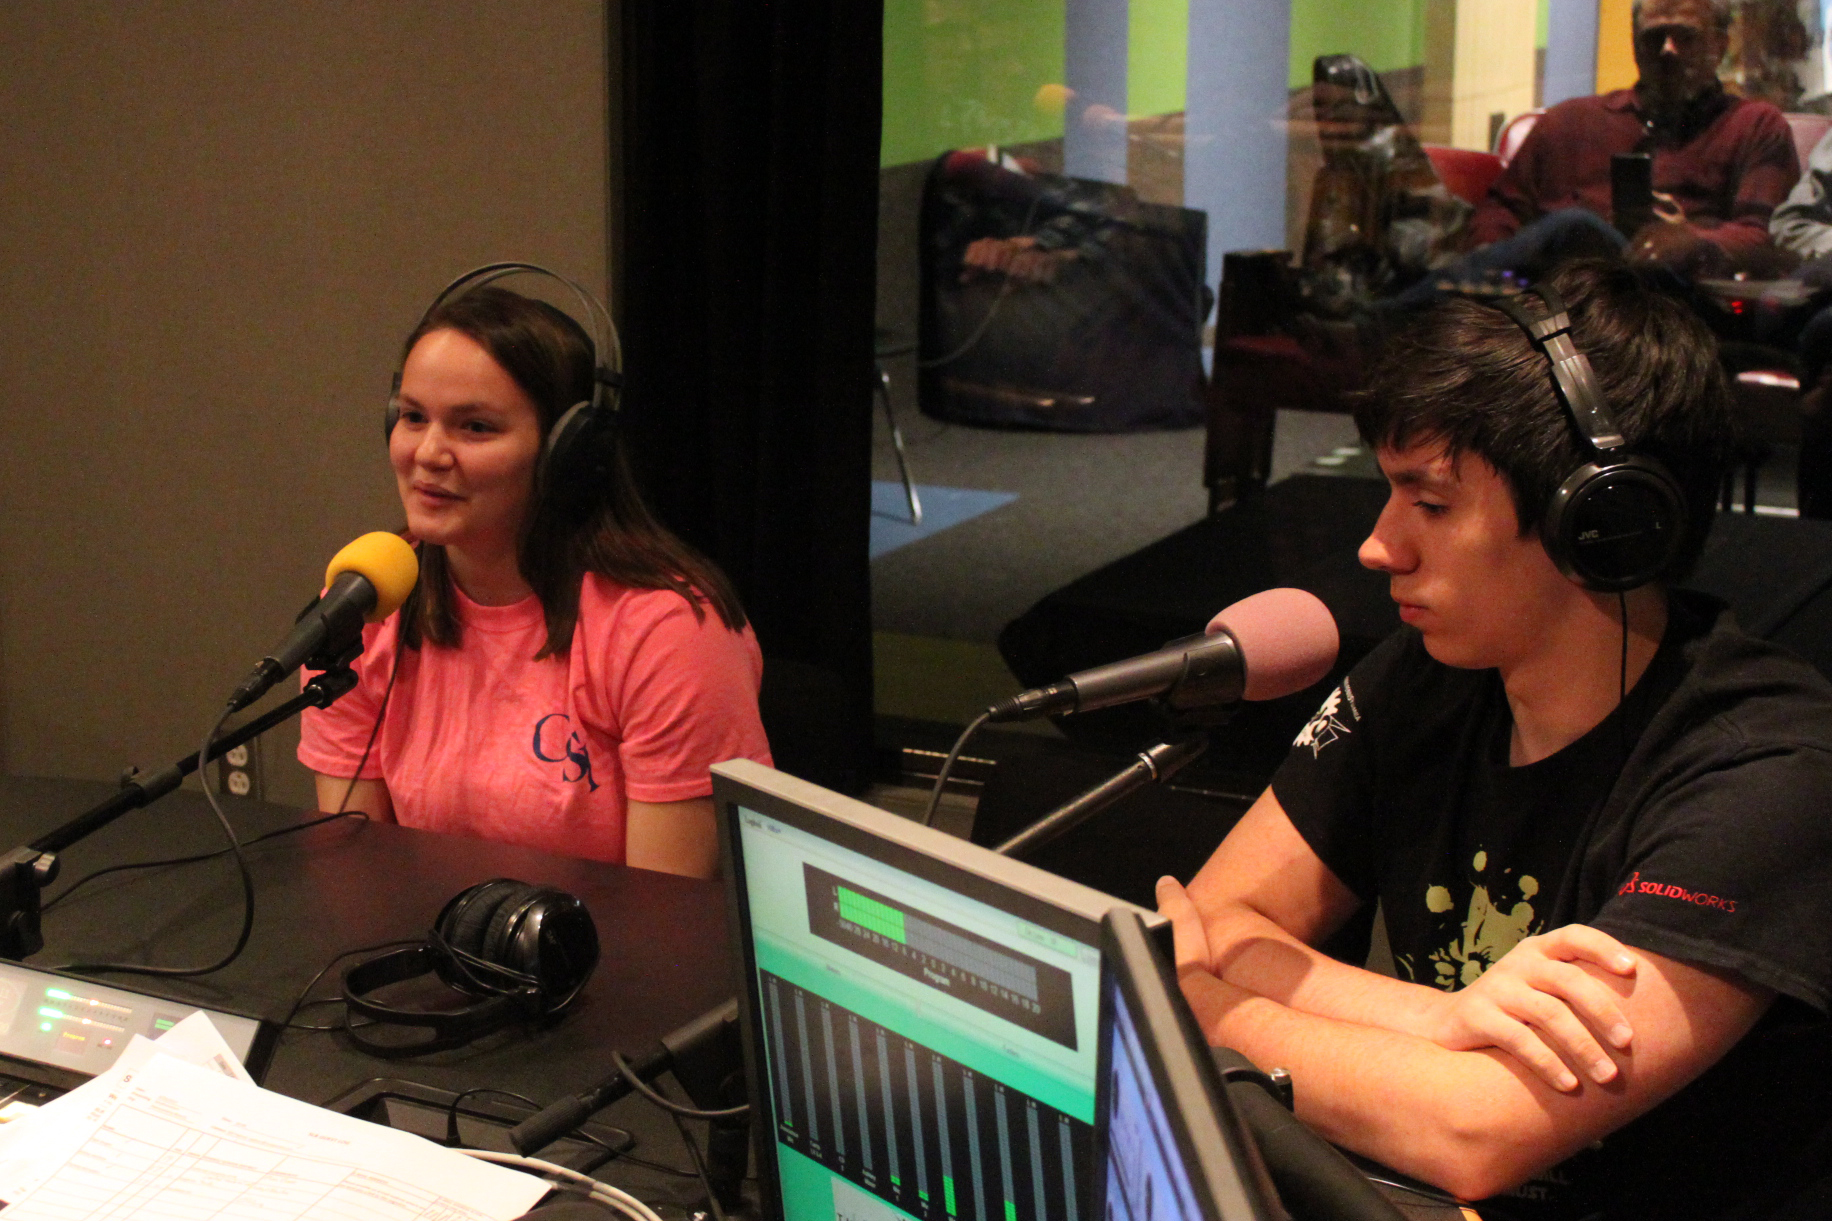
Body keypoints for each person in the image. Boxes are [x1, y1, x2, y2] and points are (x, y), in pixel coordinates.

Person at [1163, 260, 1832, 1219]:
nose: (1379, 546)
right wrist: (1440, 1018)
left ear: (1600, 525)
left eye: (1430, 503)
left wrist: (1199, 1014)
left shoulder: (1770, 772)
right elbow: (1221, 917)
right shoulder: (1428, 676)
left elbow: (1477, 1129)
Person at [298, 277, 771, 879]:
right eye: (413, 417)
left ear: (566, 451)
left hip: (613, 965)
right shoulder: (362, 606)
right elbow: (358, 879)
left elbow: (665, 922)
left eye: (475, 427)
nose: (428, 453)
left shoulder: (665, 632)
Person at [1427, 0, 1798, 294]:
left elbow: (1765, 237)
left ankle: (1385, 320)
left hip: (1669, 298)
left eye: (1685, 36)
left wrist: (1691, 242)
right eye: (1654, 37)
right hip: (1547, 295)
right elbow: (1501, 210)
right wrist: (1493, 259)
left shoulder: (1755, 126)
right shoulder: (1568, 122)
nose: (1668, 50)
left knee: (1575, 227)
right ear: (1634, 45)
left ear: (1720, 45)